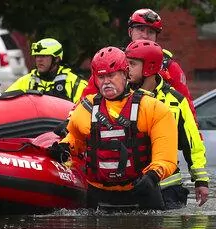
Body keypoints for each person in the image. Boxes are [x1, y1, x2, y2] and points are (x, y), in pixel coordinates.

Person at [48, 46, 178, 210]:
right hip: (98, 195)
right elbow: (75, 139)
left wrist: (153, 175)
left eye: (111, 75)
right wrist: (64, 148)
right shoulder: (85, 108)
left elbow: (166, 157)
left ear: (125, 74)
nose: (106, 82)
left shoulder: (154, 109)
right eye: (101, 77)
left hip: (141, 192)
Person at [125, 39, 209, 208]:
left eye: (132, 64)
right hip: (130, 187)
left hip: (168, 189)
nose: (127, 69)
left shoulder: (176, 100)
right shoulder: (121, 96)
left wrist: (201, 181)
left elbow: (192, 143)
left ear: (149, 67)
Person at [82, 8, 196, 116]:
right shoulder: (111, 60)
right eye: (141, 29)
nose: (145, 35)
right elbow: (86, 99)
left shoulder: (169, 66)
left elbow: (187, 107)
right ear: (130, 32)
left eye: (151, 32)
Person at [5, 38, 87, 103]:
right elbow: (5, 100)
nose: (39, 60)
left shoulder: (75, 83)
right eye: (37, 56)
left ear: (56, 59)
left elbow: (85, 111)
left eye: (44, 56)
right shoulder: (26, 81)